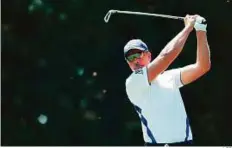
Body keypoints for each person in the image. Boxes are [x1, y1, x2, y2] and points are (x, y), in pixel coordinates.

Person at [124, 14, 211, 146]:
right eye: (130, 58)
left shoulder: (170, 77)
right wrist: (188, 28)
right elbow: (166, 56)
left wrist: (200, 30)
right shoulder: (132, 83)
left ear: (148, 55)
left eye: (138, 54)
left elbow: (202, 66)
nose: (135, 60)